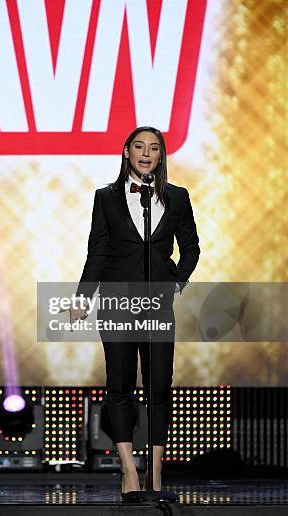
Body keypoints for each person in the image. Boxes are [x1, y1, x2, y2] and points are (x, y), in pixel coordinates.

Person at [73, 126, 200, 499]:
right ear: (126, 151)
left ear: (161, 156)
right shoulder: (106, 197)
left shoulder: (177, 197)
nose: (146, 154)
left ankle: (156, 474)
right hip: (116, 300)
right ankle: (129, 471)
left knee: (159, 384)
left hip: (156, 304)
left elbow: (191, 248)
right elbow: (97, 252)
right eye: (140, 147)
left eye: (154, 148)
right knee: (121, 385)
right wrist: (83, 298)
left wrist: (175, 280)